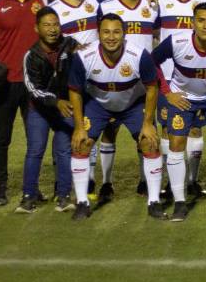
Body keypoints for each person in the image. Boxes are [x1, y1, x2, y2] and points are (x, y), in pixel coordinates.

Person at [150, 3, 206, 222]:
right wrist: (167, 92)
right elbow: (151, 62)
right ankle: (180, 203)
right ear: (193, 23)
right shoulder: (177, 42)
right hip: (182, 98)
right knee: (176, 143)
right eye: (201, 20)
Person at [68, 14, 161, 220]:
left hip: (133, 103)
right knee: (81, 144)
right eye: (106, 32)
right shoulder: (83, 56)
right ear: (98, 34)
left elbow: (152, 88)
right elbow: (74, 91)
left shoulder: (139, 55)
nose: (111, 37)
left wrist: (147, 123)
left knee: (150, 142)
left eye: (116, 32)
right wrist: (79, 127)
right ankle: (82, 202)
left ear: (124, 34)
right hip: (98, 104)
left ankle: (154, 201)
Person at [0, 0, 48, 205]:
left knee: (36, 138)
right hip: (6, 81)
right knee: (2, 137)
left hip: (35, 82)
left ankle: (32, 186)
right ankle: (1, 186)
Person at [95, 0, 160, 199]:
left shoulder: (152, 6)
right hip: (112, 81)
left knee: (145, 133)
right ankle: (106, 183)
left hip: (143, 84)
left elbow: (159, 34)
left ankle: (144, 181)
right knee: (109, 131)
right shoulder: (106, 6)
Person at [154, 0, 206, 199]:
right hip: (168, 78)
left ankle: (192, 181)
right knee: (168, 129)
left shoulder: (205, 1)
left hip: (197, 78)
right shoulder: (159, 1)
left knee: (195, 130)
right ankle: (170, 182)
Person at [18, 6, 79, 213]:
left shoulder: (70, 45)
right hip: (40, 110)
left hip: (65, 108)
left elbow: (85, 64)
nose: (52, 29)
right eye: (47, 25)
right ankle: (28, 197)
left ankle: (64, 196)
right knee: (36, 150)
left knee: (64, 150)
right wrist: (56, 101)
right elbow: (33, 89)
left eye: (55, 24)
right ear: (37, 28)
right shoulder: (31, 55)